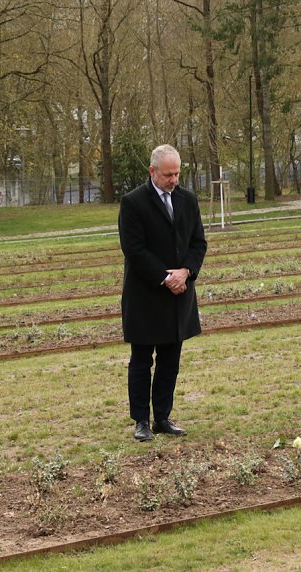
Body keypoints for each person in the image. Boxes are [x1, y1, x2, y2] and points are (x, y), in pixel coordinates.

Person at [118, 144, 207, 441]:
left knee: (171, 361)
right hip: (146, 296)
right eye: (168, 174)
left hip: (178, 295)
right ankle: (141, 421)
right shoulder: (133, 203)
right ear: (152, 171)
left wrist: (186, 272)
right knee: (142, 361)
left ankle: (163, 418)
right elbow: (134, 250)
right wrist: (165, 277)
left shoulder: (188, 200)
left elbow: (198, 243)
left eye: (177, 173)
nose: (173, 179)